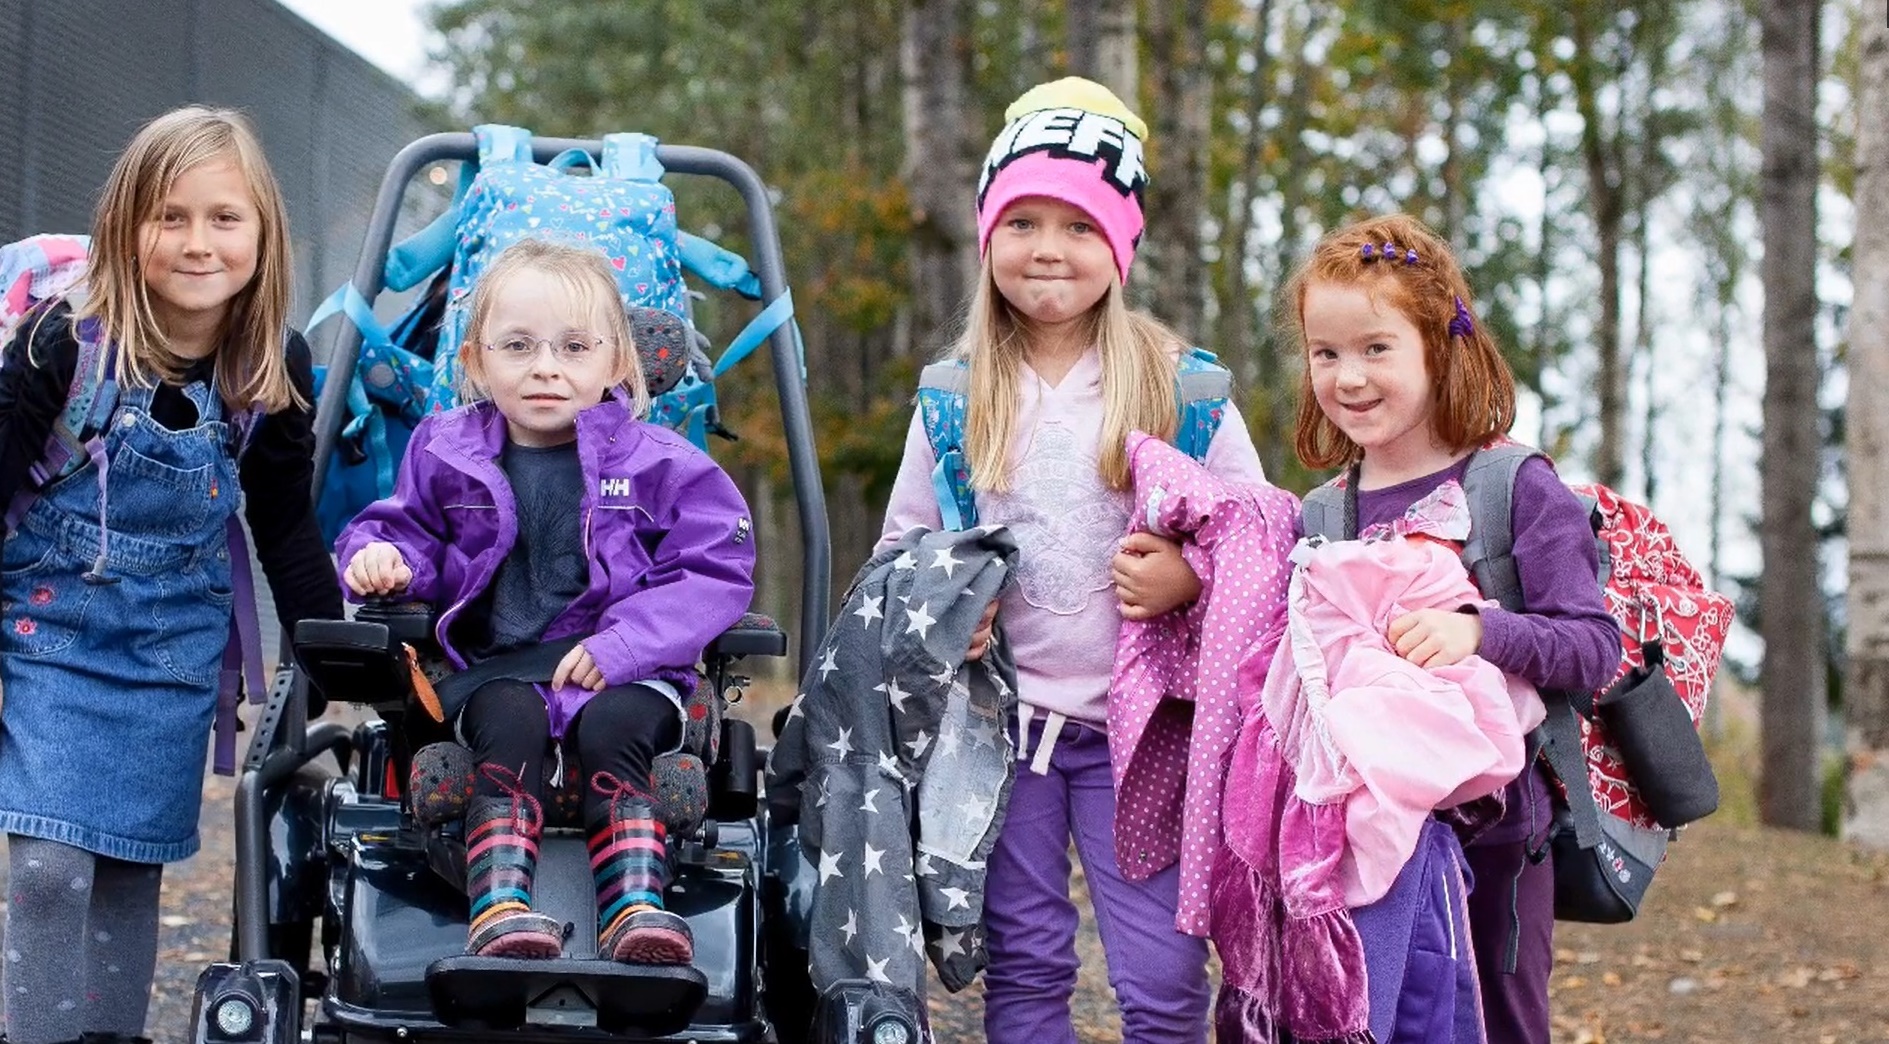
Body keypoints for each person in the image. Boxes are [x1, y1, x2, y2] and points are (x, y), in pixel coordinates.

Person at [877, 77, 1271, 1044]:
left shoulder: (1186, 391)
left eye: (1078, 226)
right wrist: (943, 607)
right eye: (1022, 223)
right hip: (1003, 730)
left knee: (1163, 971)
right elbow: (901, 547)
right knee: (1024, 959)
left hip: (1143, 735)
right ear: (987, 239)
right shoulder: (954, 396)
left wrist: (1189, 577)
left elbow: (1262, 532)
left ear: (1119, 247)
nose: (1048, 248)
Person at [0, 106, 341, 1044]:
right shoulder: (60, 342)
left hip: (171, 650)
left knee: (122, 867)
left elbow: (283, 526)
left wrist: (340, 653)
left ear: (263, 232)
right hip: (47, 630)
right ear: (125, 227)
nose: (199, 243)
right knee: (47, 868)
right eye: (171, 217)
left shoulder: (272, 366)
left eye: (224, 218)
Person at [335, 239, 755, 966]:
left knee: (618, 727)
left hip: (626, 672)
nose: (545, 368)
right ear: (476, 361)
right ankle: (499, 904)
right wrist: (384, 561)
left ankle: (635, 908)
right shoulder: (446, 451)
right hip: (498, 671)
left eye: (572, 347)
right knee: (506, 723)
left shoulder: (665, 465)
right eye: (519, 347)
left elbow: (713, 570)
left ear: (616, 363)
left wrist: (624, 646)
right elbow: (407, 534)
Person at [1284, 212, 1620, 1042]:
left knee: (1501, 1022)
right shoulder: (1322, 512)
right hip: (1362, 840)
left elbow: (1591, 646)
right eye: (1325, 354)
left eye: (1374, 348)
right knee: (1371, 1017)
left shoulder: (1512, 485)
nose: (1347, 377)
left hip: (1502, 836)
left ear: (1440, 346)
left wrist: (1479, 631)